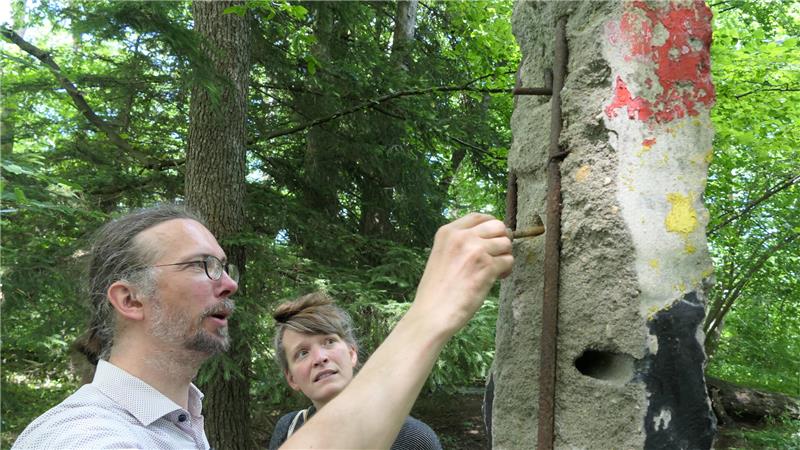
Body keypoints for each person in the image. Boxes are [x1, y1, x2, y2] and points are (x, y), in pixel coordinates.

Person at [12, 204, 512, 449]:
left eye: (225, 266)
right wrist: (429, 315)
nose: (228, 284)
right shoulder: (82, 436)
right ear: (129, 299)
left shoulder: (181, 426)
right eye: (200, 265)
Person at [268, 292, 442, 450]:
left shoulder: (413, 438)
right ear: (292, 379)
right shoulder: (289, 429)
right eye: (303, 353)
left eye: (328, 342)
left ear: (351, 354)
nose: (320, 358)